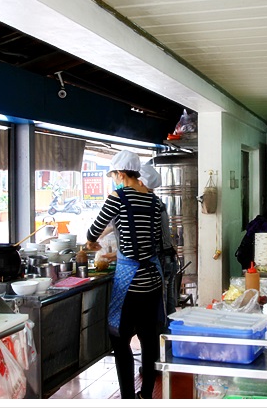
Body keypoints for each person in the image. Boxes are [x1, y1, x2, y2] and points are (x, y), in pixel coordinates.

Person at [85, 150, 164, 399]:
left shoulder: (117, 197)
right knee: (149, 340)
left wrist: (90, 243)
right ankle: (146, 394)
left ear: (120, 174)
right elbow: (156, 239)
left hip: (131, 281)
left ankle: (128, 398)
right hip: (153, 278)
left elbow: (95, 229)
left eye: (114, 175)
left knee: (119, 339)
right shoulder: (154, 201)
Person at [139, 163, 179, 317]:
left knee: (162, 304)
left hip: (162, 259)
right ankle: (169, 330)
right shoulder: (157, 202)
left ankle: (164, 330)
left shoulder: (149, 204)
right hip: (169, 257)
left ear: (141, 182)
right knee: (168, 303)